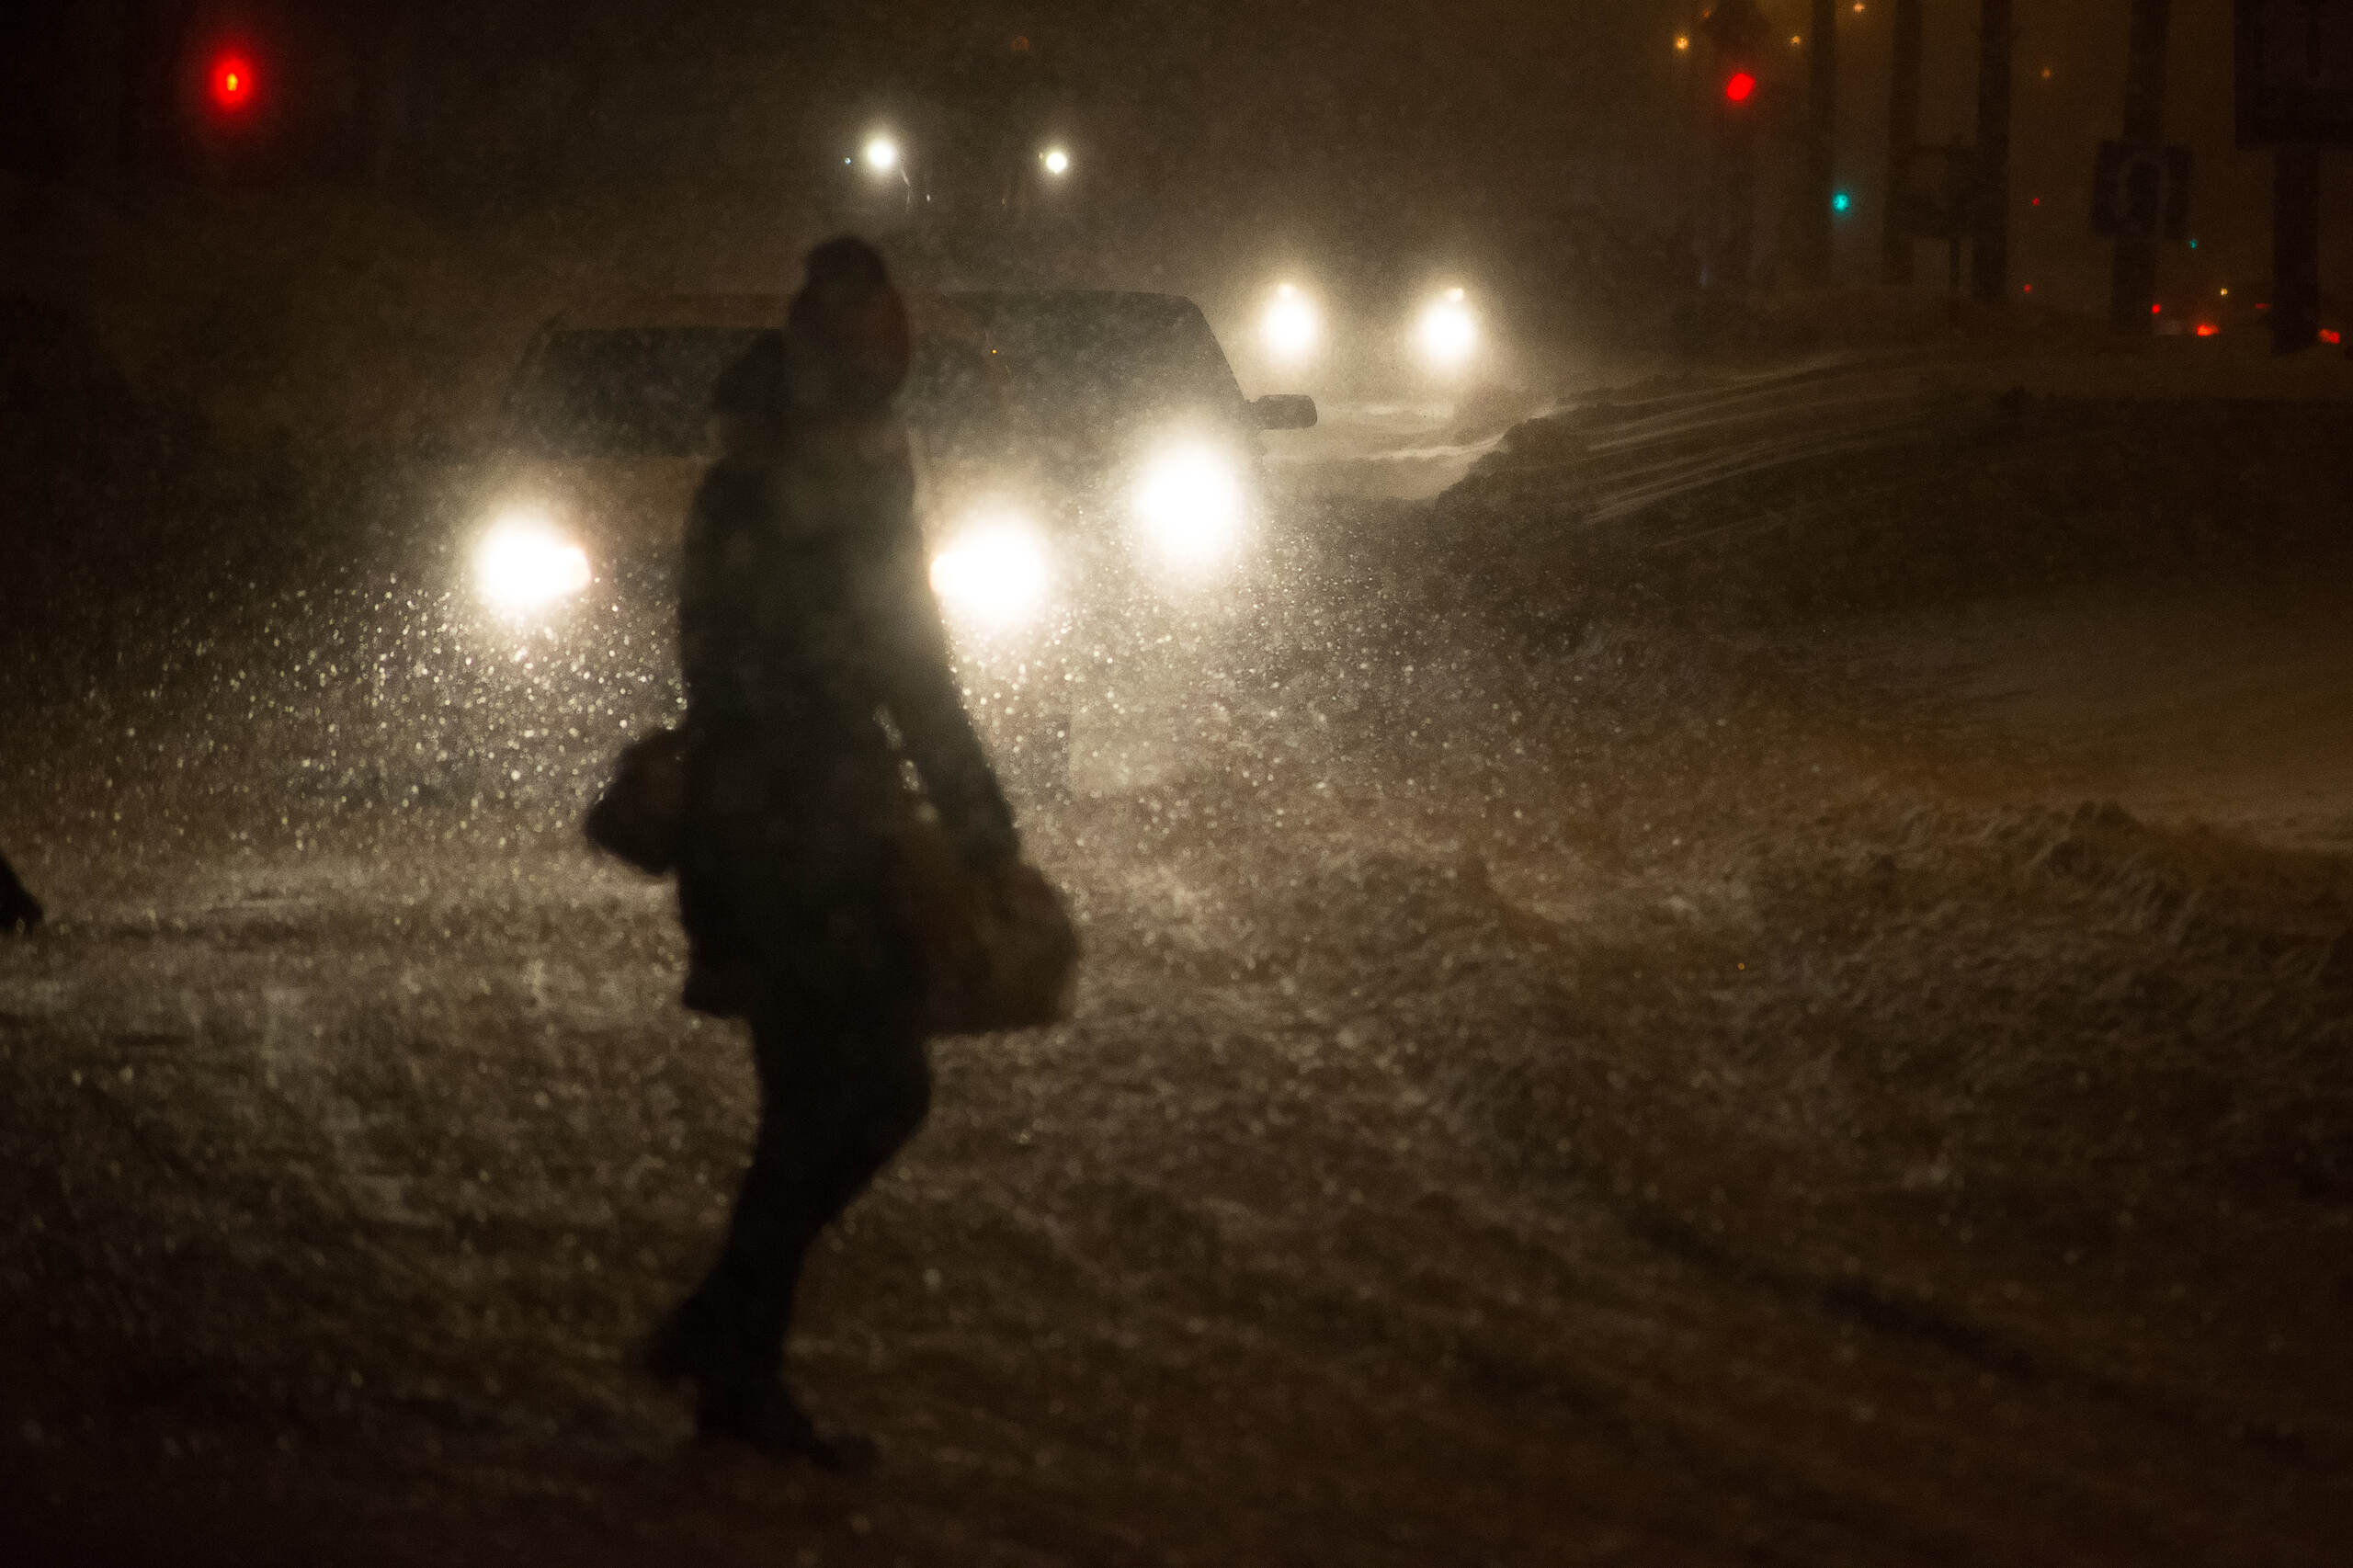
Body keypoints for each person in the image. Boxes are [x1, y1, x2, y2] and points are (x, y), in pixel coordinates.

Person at [641, 237, 1019, 1467]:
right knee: (865, 1090)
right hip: (804, 831)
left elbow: (735, 651)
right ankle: (728, 1342)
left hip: (769, 824)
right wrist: (973, 815)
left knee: (819, 1098)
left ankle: (731, 1355)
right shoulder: (824, 480)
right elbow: (905, 660)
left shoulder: (759, 474)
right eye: (878, 341)